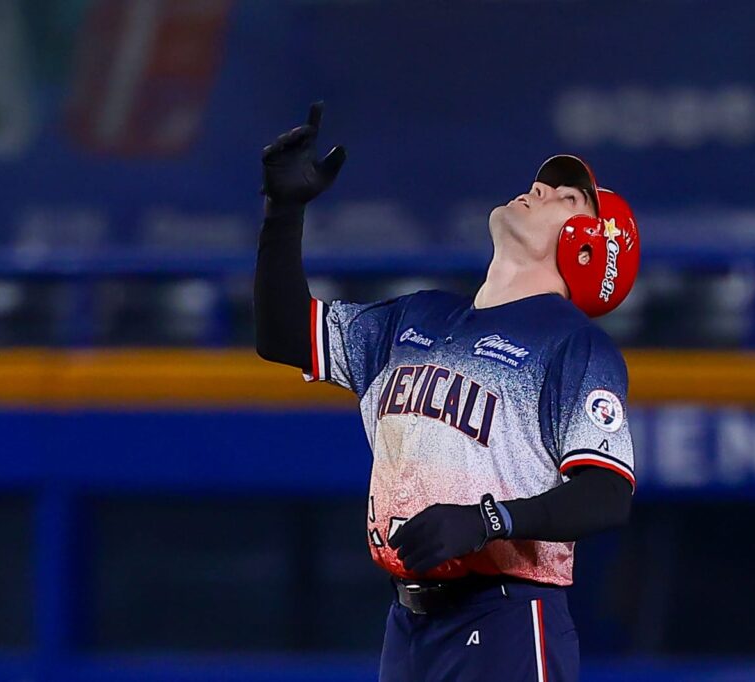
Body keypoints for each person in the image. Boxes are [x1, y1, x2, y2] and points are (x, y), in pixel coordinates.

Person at [255, 103, 640, 682]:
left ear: (589, 249)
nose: (540, 187)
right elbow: (283, 334)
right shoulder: (419, 313)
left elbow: (607, 494)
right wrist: (283, 213)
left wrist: (488, 520)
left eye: (568, 196)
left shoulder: (573, 346)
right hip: (408, 624)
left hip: (508, 614)